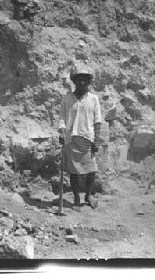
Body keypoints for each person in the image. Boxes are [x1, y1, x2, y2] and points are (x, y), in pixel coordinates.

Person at [58, 65, 102, 210]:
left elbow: (97, 120)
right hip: (71, 139)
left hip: (88, 139)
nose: (82, 82)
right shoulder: (67, 99)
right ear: (74, 81)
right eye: (79, 79)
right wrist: (62, 132)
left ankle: (88, 195)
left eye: (85, 79)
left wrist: (97, 139)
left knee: (91, 171)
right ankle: (76, 198)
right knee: (74, 172)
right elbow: (62, 118)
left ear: (89, 81)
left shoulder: (94, 99)